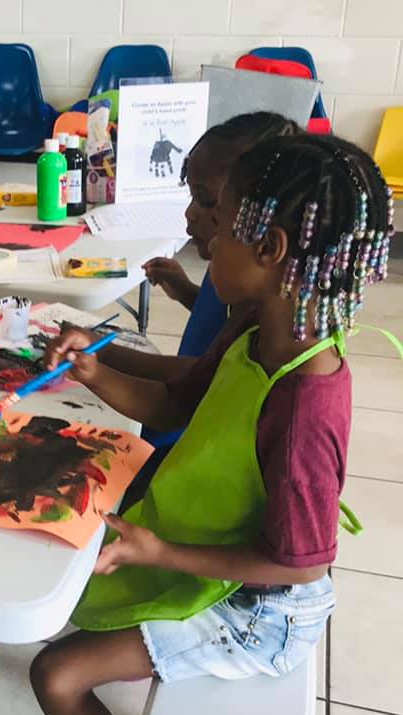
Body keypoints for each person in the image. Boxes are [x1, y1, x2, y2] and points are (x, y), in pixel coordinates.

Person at [30, 134, 394, 715]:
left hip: (261, 608)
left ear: (270, 249)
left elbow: (300, 563)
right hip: (226, 556)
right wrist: (93, 365)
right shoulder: (259, 324)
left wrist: (162, 551)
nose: (203, 234)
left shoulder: (304, 403)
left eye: (220, 222)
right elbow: (177, 395)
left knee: (57, 675)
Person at [96, 113, 300, 506]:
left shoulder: (255, 297)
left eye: (209, 203)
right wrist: (187, 292)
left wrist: (99, 352)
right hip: (170, 412)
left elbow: (202, 374)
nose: (190, 215)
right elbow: (216, 333)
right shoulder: (231, 268)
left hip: (181, 445)